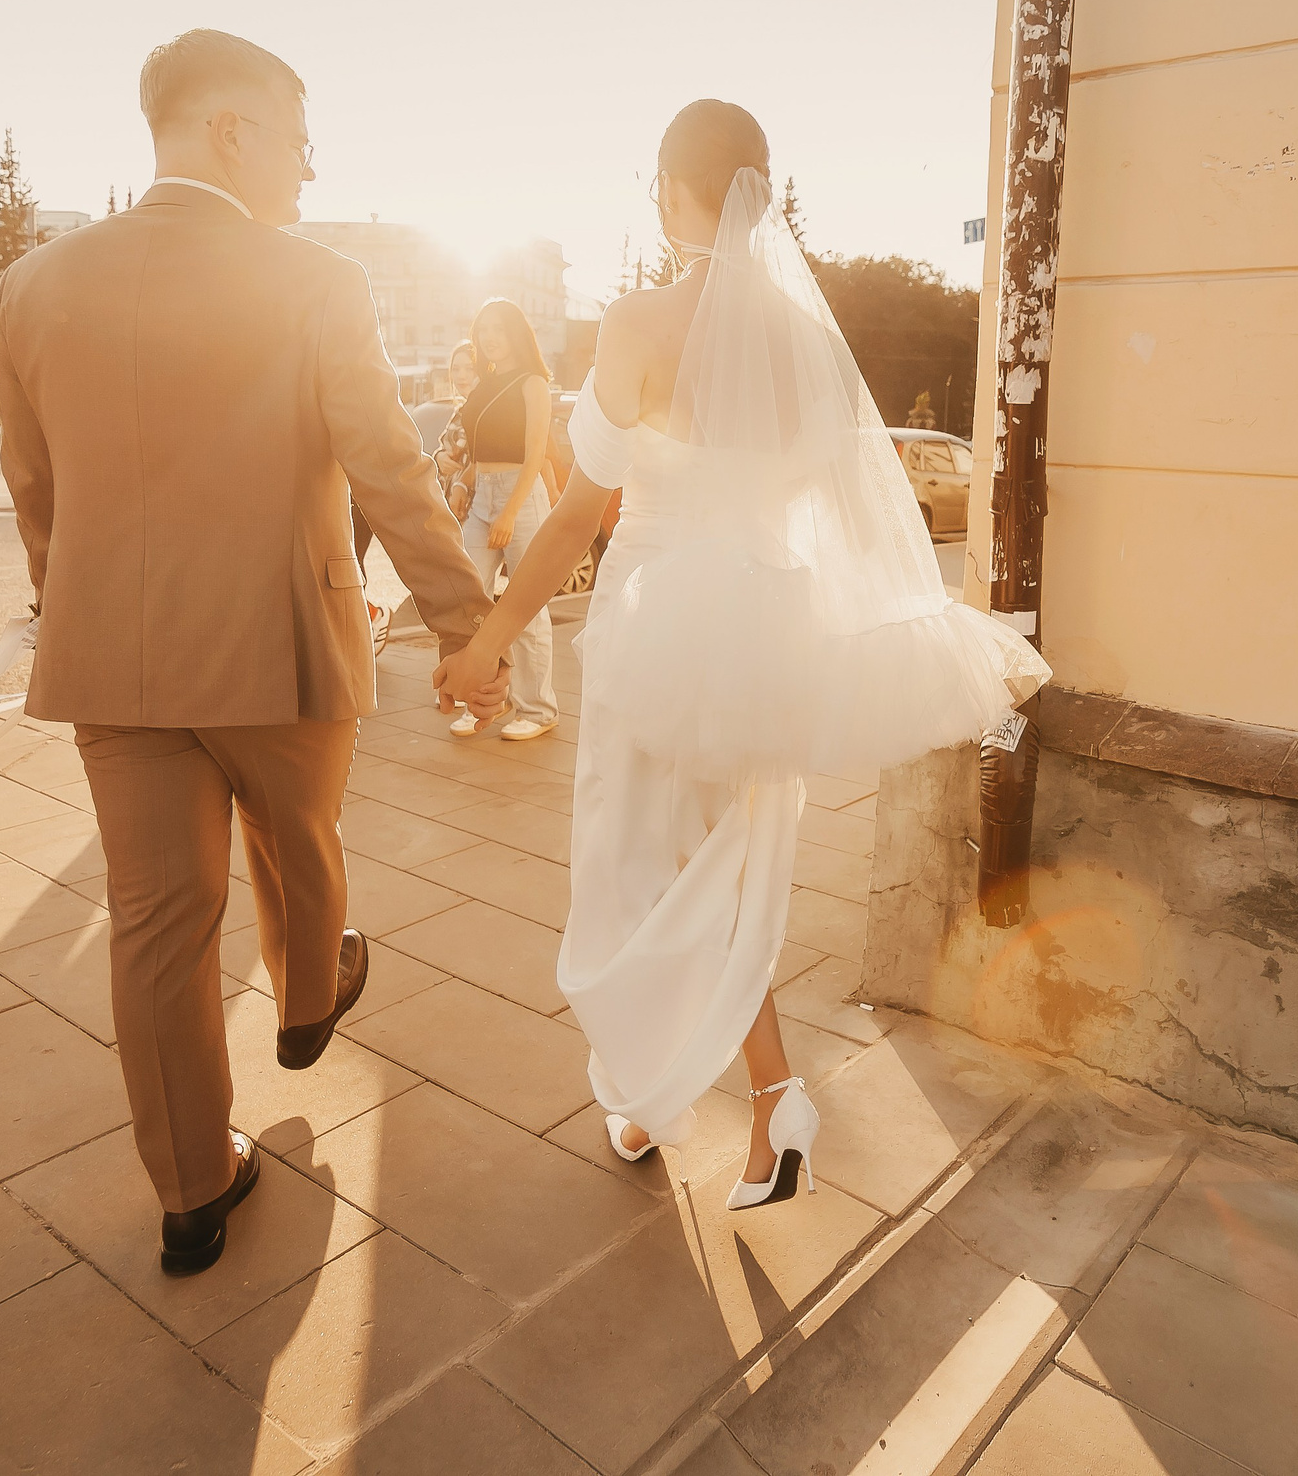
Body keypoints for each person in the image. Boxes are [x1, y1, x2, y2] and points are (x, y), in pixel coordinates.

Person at [437, 102, 1047, 1210]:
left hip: (660, 619)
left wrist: (487, 633)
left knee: (634, 865)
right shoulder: (810, 340)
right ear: (758, 191)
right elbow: (835, 506)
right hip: (772, 620)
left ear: (671, 191)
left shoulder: (639, 322)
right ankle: (758, 1102)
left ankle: (661, 1089)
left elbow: (580, 512)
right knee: (732, 865)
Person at [0, 28, 508, 1275]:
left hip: (112, 662)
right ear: (230, 129)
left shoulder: (37, 284)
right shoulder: (314, 281)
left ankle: (189, 1188)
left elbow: (32, 485)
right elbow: (386, 464)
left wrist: (78, 608)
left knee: (156, 925)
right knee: (300, 842)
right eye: (298, 139)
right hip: (279, 643)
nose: (309, 172)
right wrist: (465, 625)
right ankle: (309, 999)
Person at [447, 302, 560, 741]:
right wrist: (461, 482)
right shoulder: (483, 386)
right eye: (484, 329)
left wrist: (511, 511)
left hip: (522, 497)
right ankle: (485, 700)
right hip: (482, 498)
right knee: (471, 601)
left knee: (526, 609)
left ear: (516, 333)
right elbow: (480, 452)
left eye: (499, 328)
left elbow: (534, 456)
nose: (490, 336)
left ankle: (538, 708)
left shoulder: (533, 384)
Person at [408, 340, 475, 457]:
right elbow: (442, 448)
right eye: (455, 369)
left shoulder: (487, 413)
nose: (461, 376)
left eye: (469, 368)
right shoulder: (459, 412)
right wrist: (439, 458)